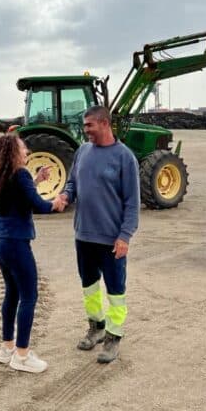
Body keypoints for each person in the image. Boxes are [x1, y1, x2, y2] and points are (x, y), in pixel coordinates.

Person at [57, 106, 139, 363]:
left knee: (115, 290)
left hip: (111, 239)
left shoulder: (125, 157)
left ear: (105, 124)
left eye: (89, 125)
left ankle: (114, 337)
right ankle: (96, 326)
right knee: (89, 286)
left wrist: (125, 236)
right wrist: (65, 195)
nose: (85, 130)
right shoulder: (82, 151)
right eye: (85, 126)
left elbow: (132, 203)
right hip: (83, 235)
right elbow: (73, 183)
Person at [0, 133, 65, 373]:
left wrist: (36, 180)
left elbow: (20, 198)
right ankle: (22, 355)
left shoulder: (1, 175)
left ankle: (7, 347)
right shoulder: (20, 174)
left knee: (12, 292)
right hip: (16, 243)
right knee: (29, 295)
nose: (26, 151)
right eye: (22, 147)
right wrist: (55, 204)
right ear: (12, 153)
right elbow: (38, 205)